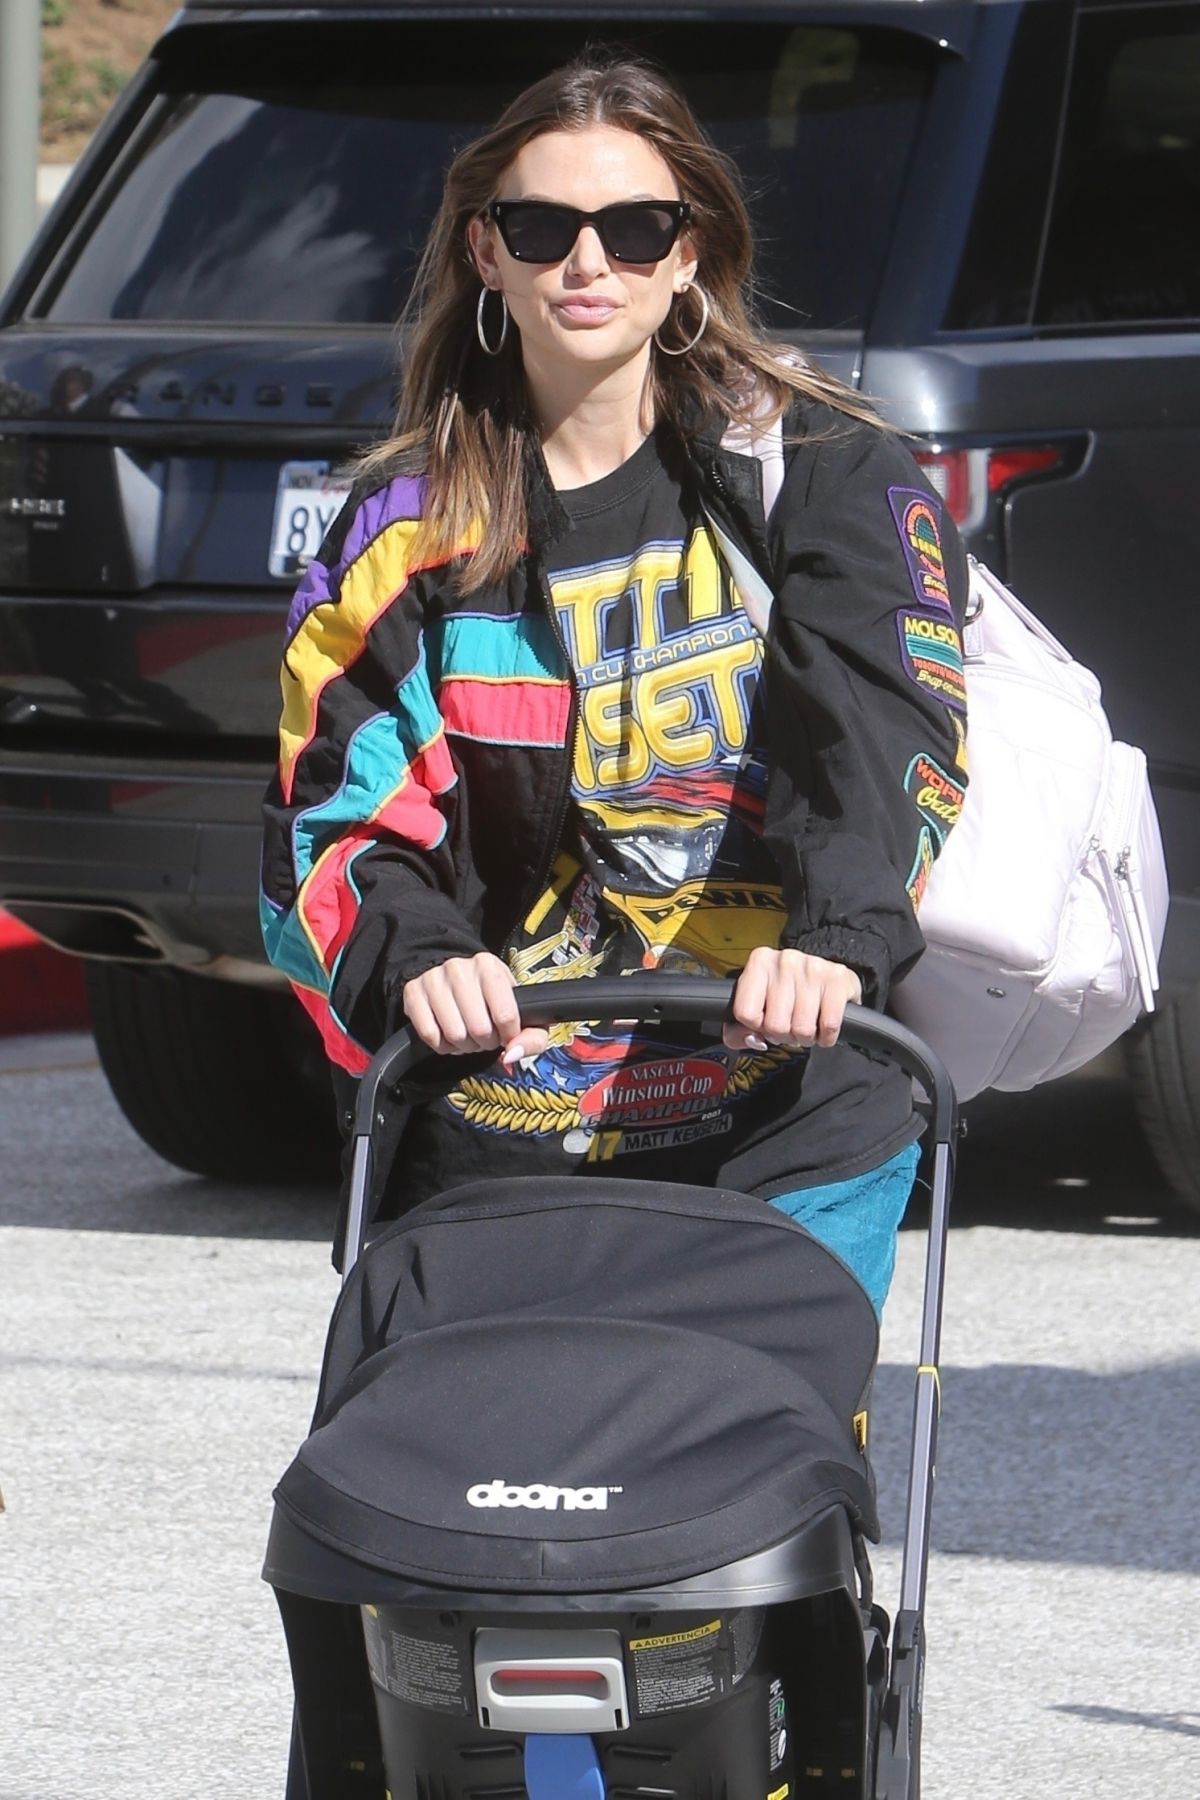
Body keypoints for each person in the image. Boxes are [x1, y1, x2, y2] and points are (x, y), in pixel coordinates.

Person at [260, 52, 969, 1314]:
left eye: (637, 229)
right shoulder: (403, 523)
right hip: (497, 1126)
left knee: (757, 1480)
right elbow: (331, 810)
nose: (588, 264)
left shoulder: (821, 471)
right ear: (487, 253)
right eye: (543, 228)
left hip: (789, 1116)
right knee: (477, 1492)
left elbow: (888, 740)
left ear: (690, 253)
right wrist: (416, 954)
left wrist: (838, 948)